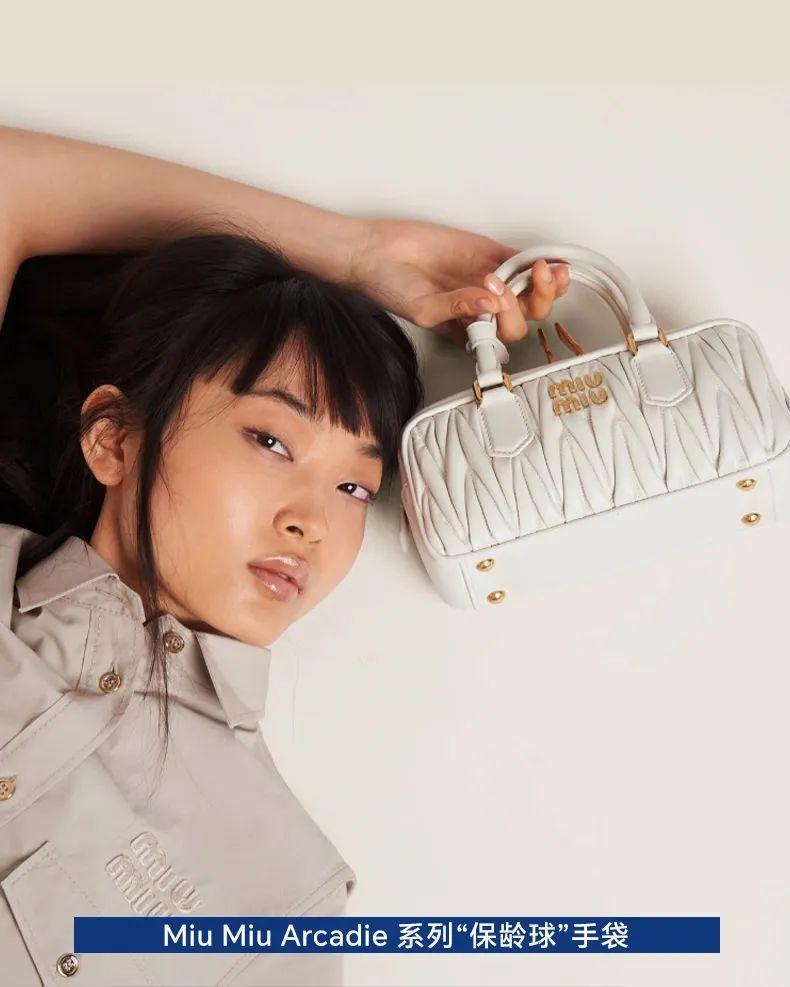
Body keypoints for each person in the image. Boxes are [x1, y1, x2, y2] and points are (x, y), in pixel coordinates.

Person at [0, 125, 569, 986]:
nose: (313, 521)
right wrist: (358, 252)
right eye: (271, 440)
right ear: (112, 437)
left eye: (354, 487)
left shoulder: (280, 900)